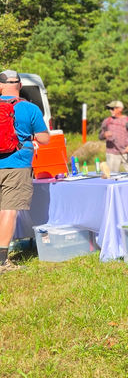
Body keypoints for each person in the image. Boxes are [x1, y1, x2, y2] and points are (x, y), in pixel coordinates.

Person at [0, 70, 51, 272]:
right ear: (20, 86)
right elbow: (44, 138)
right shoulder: (29, 108)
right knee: (8, 211)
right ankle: (2, 261)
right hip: (17, 164)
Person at [99, 100, 128, 173]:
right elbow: (100, 136)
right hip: (112, 153)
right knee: (111, 176)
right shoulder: (106, 121)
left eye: (112, 108)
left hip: (127, 153)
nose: (110, 111)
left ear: (120, 109)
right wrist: (104, 135)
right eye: (109, 109)